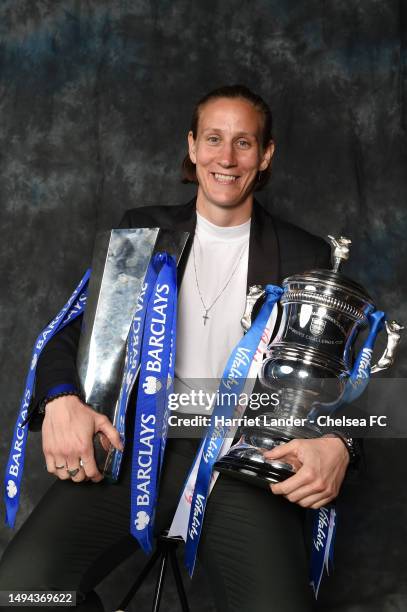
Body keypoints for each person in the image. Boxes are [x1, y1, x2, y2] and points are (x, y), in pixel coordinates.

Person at [0, 85, 352, 611]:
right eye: (213, 139)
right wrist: (60, 399)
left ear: (266, 154)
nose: (226, 158)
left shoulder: (306, 255)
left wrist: (343, 444)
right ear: (192, 147)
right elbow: (72, 332)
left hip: (240, 466)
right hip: (135, 450)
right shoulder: (142, 231)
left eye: (243, 143)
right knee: (21, 594)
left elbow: (342, 375)